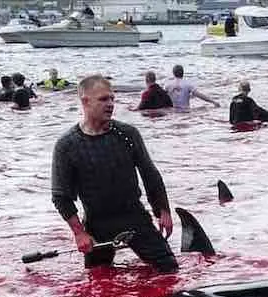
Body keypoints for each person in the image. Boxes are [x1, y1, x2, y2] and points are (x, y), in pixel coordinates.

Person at [50, 75, 178, 273]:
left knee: (169, 271)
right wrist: (79, 233)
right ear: (85, 101)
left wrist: (163, 211)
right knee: (98, 282)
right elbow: (61, 196)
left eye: (112, 99)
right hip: (97, 222)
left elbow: (150, 174)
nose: (110, 104)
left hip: (134, 217)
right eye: (103, 99)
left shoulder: (128, 134)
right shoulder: (67, 145)